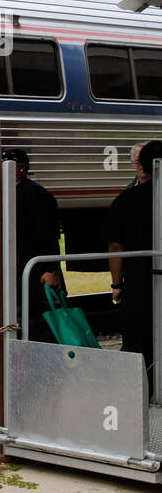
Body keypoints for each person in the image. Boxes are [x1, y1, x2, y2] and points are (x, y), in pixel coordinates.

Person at [102, 139, 162, 397]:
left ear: (142, 166)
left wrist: (117, 285)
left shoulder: (126, 199)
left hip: (138, 281)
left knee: (138, 336)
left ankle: (141, 392)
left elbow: (115, 246)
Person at [1, 149, 62, 342]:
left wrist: (50, 268)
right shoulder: (5, 192)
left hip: (33, 268)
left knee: (36, 319)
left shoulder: (37, 195)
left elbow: (49, 234)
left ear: (21, 169)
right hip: (16, 266)